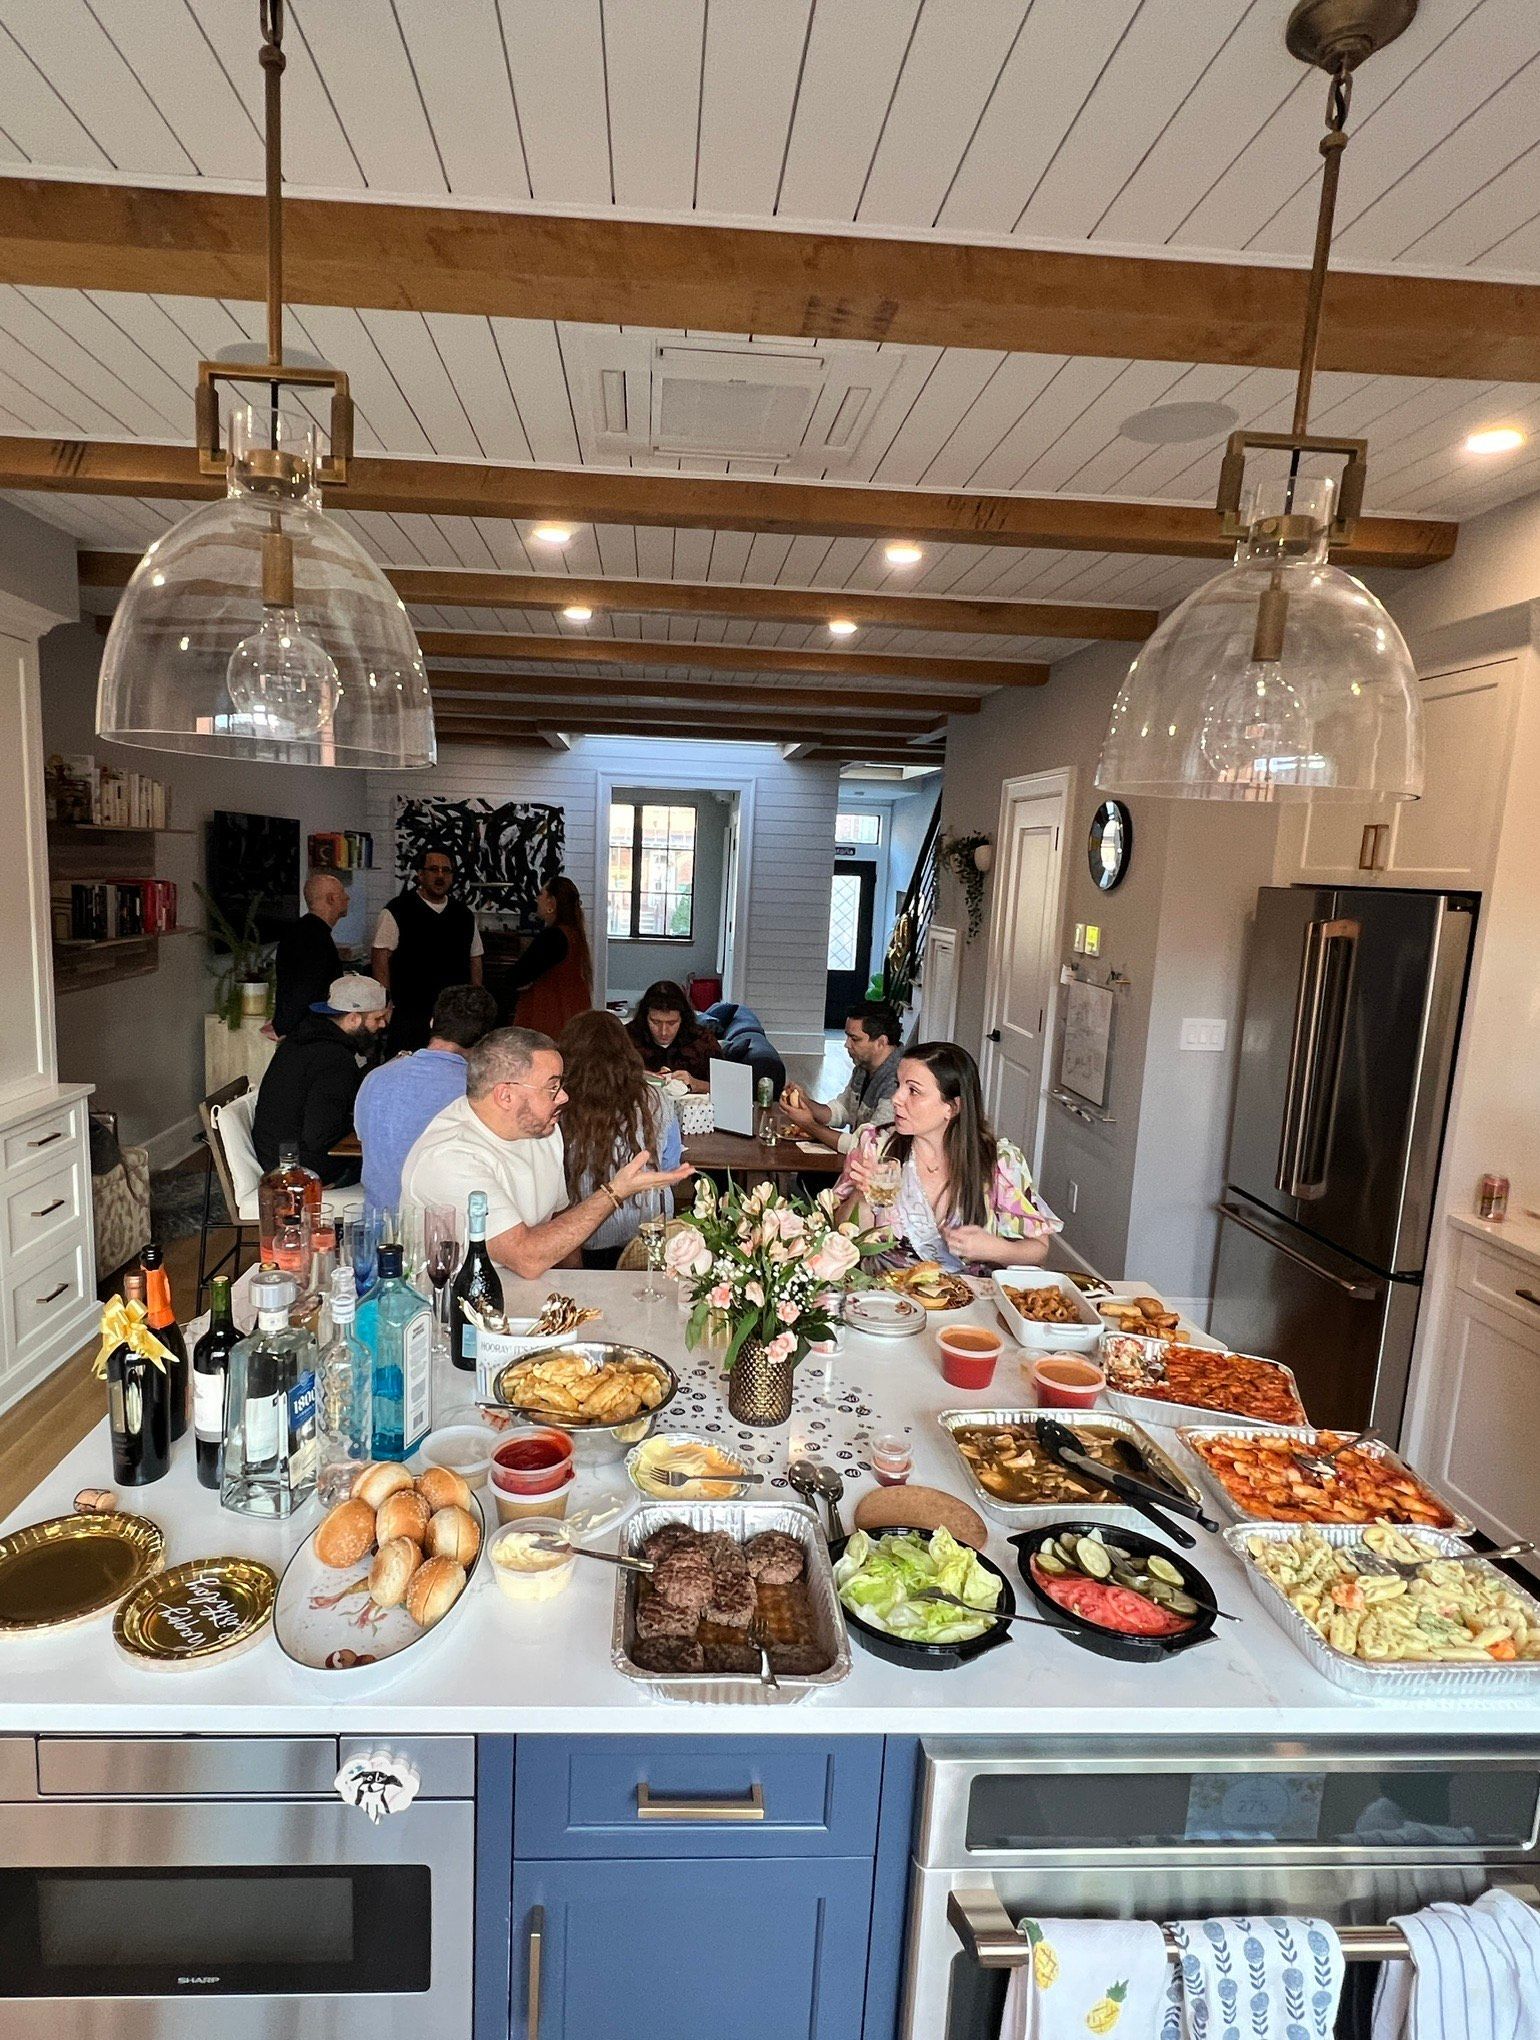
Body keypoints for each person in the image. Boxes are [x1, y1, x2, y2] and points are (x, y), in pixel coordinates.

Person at [398, 1025, 693, 1280]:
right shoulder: (450, 1157)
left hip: (529, 1295)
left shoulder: (540, 1130)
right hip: (457, 1316)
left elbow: (559, 1219)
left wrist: (574, 1289)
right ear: (506, 1095)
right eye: (552, 1087)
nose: (564, 1096)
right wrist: (615, 1192)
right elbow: (526, 1257)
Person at [835, 1040, 1060, 1274]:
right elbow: (845, 1240)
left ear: (951, 1108)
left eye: (913, 1090)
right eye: (898, 1085)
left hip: (968, 1299)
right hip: (888, 1296)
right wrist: (863, 1194)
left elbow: (1039, 1248)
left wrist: (993, 1248)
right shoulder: (876, 1145)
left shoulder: (998, 1162)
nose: (896, 1098)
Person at [353, 983, 498, 1214]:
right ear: (486, 1041)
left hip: (378, 1225)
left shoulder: (376, 1078)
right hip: (447, 1233)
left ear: (432, 1023)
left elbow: (366, 1143)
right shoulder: (482, 1092)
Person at [557, 1010, 683, 1269]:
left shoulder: (561, 1102)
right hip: (648, 1229)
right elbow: (669, 1166)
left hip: (584, 1236)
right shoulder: (656, 1099)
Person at [253, 975, 392, 1186]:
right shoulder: (334, 1058)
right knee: (390, 1160)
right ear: (354, 1019)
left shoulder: (300, 1039)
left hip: (274, 1153)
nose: (383, 1024)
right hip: (298, 1169)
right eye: (377, 1018)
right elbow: (321, 1135)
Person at [371, 843, 483, 1053]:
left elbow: (475, 958)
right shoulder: (397, 910)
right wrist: (385, 1001)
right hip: (409, 1012)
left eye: (446, 870)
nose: (440, 876)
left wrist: (475, 1001)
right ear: (420, 875)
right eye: (433, 869)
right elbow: (380, 956)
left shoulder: (464, 915)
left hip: (454, 1015)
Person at [780, 1000, 903, 1154]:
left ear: (881, 1042)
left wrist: (809, 1125)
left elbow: (871, 1147)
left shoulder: (898, 1082)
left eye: (855, 1039)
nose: (847, 1044)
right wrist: (805, 1101)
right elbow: (842, 1111)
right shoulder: (864, 1066)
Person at [505, 876, 594, 1036]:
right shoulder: (574, 934)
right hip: (571, 1014)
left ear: (551, 903)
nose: (537, 898)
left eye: (541, 894)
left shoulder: (553, 937)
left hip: (548, 1017)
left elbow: (518, 977)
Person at [272, 872, 348, 1038]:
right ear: (331, 899)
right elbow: (303, 988)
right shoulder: (313, 939)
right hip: (308, 1033)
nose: (347, 898)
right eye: (342, 894)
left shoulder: (304, 932)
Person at [625, 980, 722, 1092]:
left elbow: (728, 1089)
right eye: (655, 1022)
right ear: (645, 1017)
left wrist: (696, 1084)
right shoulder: (626, 1038)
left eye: (672, 1023)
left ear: (683, 1019)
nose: (663, 1032)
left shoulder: (703, 1041)